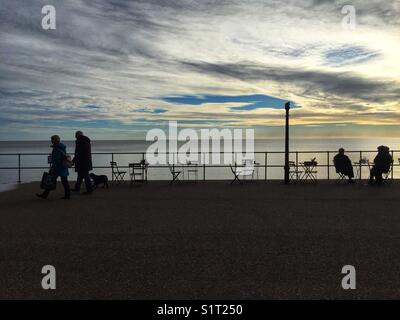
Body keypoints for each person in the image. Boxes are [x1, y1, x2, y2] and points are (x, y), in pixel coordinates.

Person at [36, 135, 71, 200]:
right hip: (62, 167)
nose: (51, 141)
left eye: (52, 139)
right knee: (62, 181)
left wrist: (52, 167)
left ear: (55, 140)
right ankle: (67, 195)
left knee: (52, 180)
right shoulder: (61, 147)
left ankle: (45, 195)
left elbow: (57, 159)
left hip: (58, 167)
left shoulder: (57, 148)